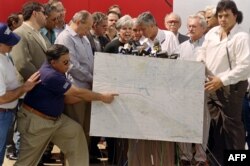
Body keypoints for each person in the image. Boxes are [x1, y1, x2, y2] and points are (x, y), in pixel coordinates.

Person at [14, 44, 118, 166]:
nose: (68, 65)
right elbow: (76, 92)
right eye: (65, 62)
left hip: (56, 121)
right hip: (37, 123)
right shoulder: (50, 75)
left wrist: (88, 97)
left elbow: (67, 98)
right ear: (53, 62)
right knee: (26, 162)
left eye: (69, 61)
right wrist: (102, 97)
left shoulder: (57, 70)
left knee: (75, 132)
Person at [196, 1, 250, 165]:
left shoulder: (241, 37)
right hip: (211, 86)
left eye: (227, 15)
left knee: (232, 129)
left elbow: (246, 67)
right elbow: (202, 52)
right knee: (215, 127)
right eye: (220, 16)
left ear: (235, 15)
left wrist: (222, 80)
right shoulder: (212, 33)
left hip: (231, 87)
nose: (223, 19)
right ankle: (217, 162)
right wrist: (199, 63)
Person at [127, 11, 178, 166]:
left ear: (152, 25)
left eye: (143, 29)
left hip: (167, 93)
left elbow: (177, 61)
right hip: (148, 94)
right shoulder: (143, 42)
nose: (141, 33)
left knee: (164, 137)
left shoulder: (169, 37)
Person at [55, 10, 94, 159]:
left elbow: (89, 62)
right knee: (75, 130)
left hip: (87, 89)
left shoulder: (83, 38)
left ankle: (82, 159)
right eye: (88, 26)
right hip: (74, 90)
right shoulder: (65, 37)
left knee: (85, 130)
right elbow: (71, 66)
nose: (89, 30)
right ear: (79, 22)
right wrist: (92, 78)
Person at [0, 22, 40, 166]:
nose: (12, 45)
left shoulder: (4, 56)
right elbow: (1, 98)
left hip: (6, 114)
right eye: (8, 42)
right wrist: (24, 88)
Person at [175, 14, 208, 166]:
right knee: (184, 123)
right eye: (189, 26)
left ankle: (200, 158)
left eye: (194, 26)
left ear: (203, 28)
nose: (190, 28)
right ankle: (185, 157)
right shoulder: (181, 47)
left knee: (202, 126)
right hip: (185, 93)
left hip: (204, 91)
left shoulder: (209, 45)